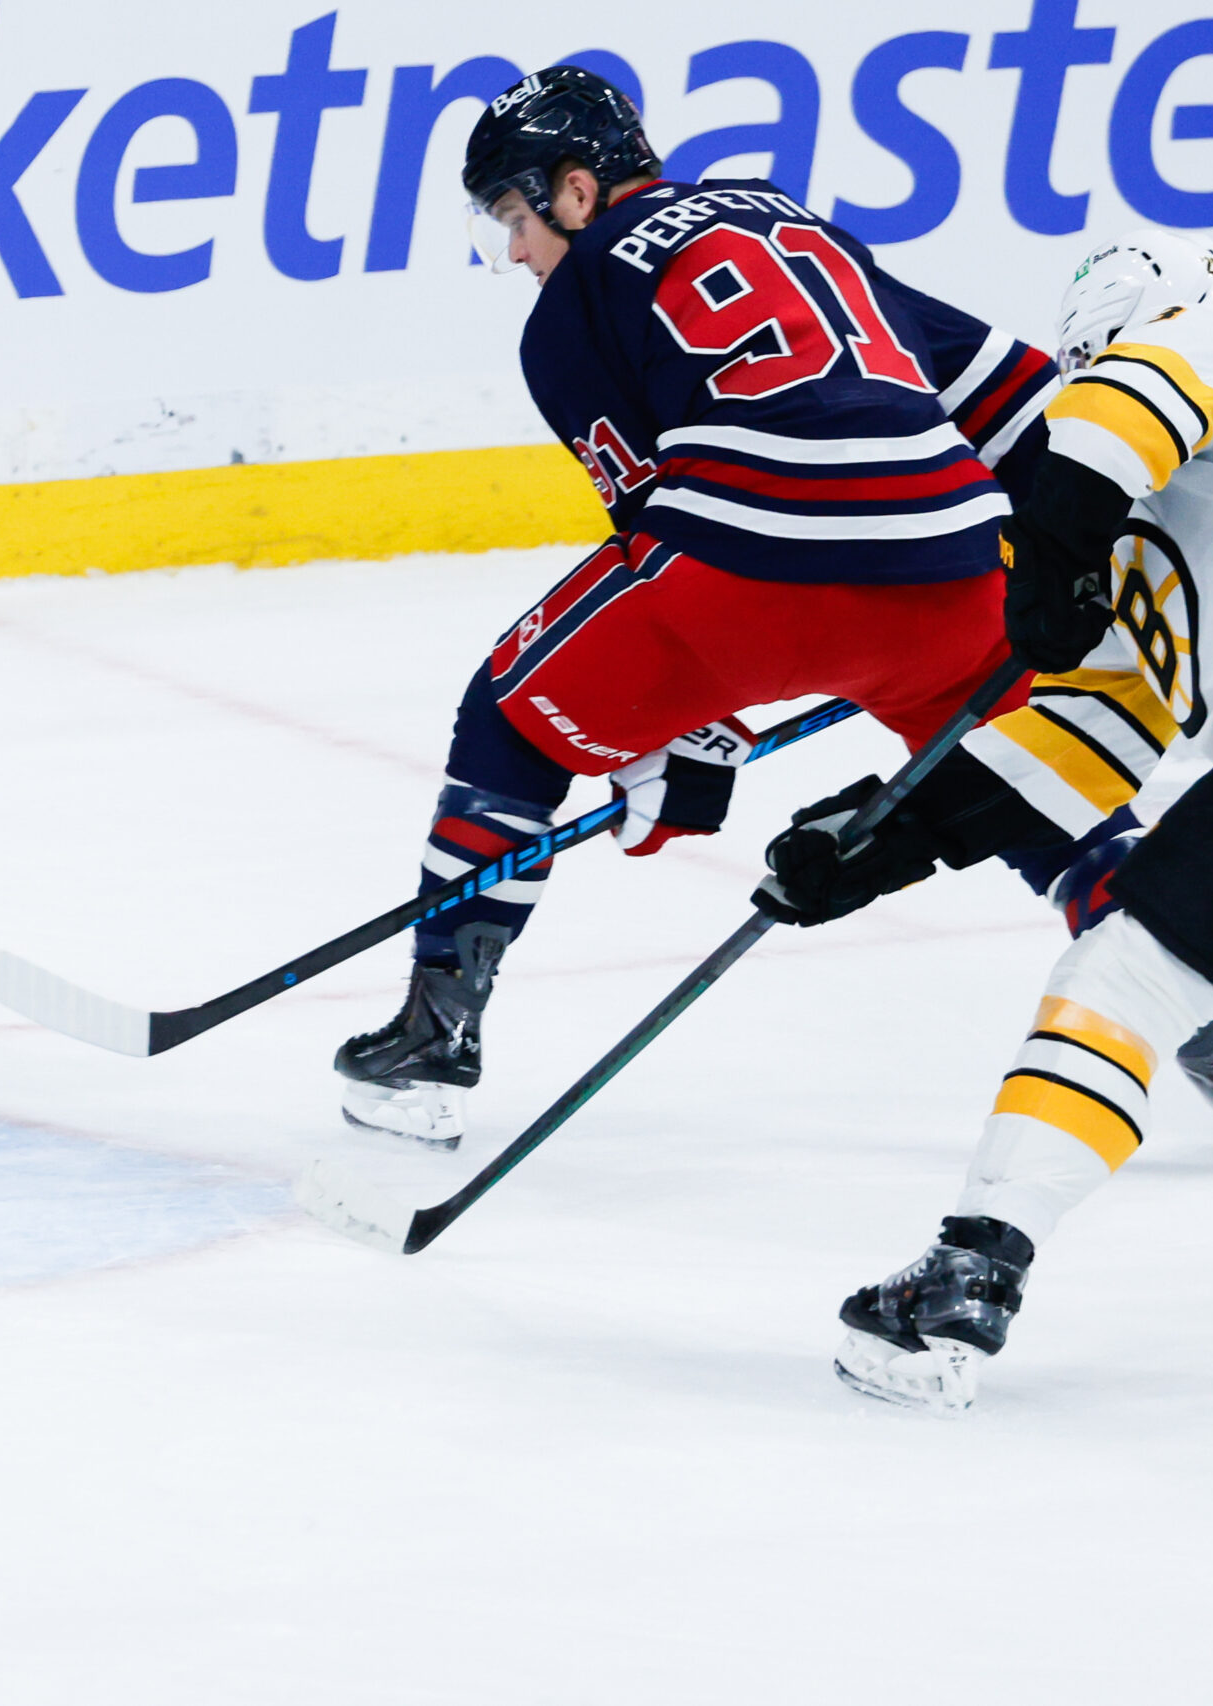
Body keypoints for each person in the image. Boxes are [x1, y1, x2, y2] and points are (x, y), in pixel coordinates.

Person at [334, 64, 1059, 1146]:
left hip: (749, 575)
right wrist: (1070, 559)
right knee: (1042, 776)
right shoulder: (797, 225)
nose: (516, 252)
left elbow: (655, 535)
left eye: (514, 219)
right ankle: (1194, 1016)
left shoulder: (571, 305)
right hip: (951, 577)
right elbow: (1020, 398)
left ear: (576, 190)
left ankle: (434, 1034)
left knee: (509, 719)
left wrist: (679, 732)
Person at [753, 232, 1213, 1412]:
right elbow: (1083, 737)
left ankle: (970, 1272)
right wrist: (886, 833)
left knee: (1123, 978)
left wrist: (1053, 546)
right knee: (1132, 969)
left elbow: (1112, 419)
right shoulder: (1159, 539)